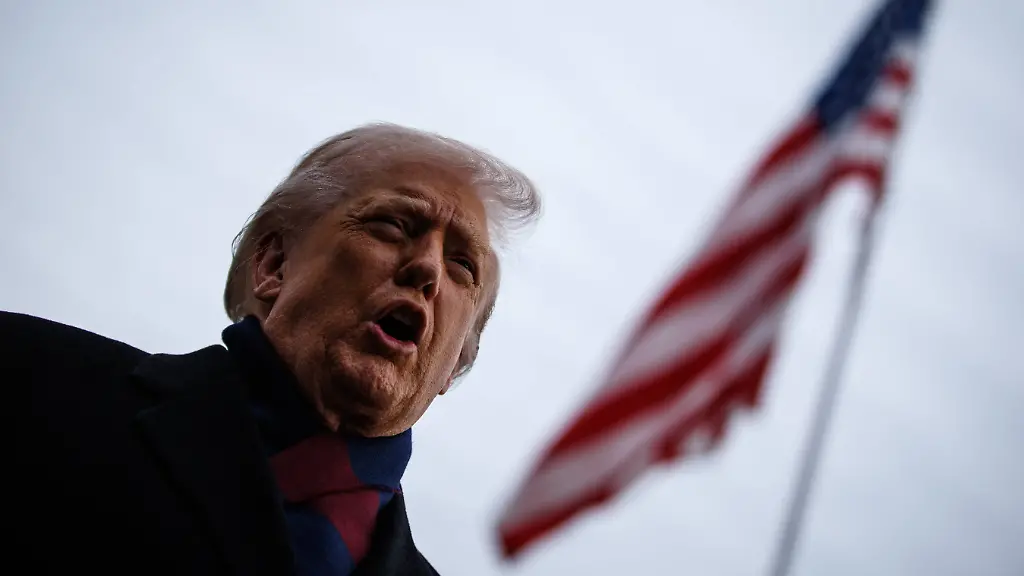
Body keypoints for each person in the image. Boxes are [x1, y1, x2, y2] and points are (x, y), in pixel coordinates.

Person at [8, 123, 540, 576]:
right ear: (273, 265)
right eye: (393, 224)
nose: (426, 268)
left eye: (462, 266)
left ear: (456, 362)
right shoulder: (29, 378)